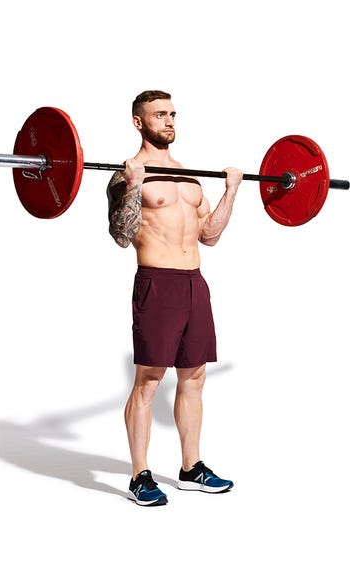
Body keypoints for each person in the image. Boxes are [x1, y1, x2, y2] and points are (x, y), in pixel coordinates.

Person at [106, 90, 240, 507]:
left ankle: (190, 467)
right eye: (159, 114)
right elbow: (121, 236)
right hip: (156, 283)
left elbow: (210, 236)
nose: (168, 121)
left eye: (172, 114)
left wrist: (231, 190)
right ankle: (139, 475)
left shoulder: (189, 175)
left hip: (194, 283)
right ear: (138, 122)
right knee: (148, 380)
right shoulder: (127, 173)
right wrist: (132, 187)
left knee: (193, 376)